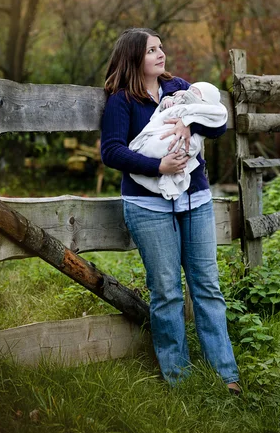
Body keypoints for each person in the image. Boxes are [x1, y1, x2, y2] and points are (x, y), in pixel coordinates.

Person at [100, 27, 240, 394]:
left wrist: (188, 119)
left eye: (161, 48)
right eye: (151, 50)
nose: (161, 54)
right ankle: (179, 379)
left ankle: (226, 374)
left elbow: (220, 122)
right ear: (134, 58)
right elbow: (111, 151)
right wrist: (158, 168)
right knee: (166, 291)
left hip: (195, 198)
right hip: (147, 204)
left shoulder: (178, 87)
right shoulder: (121, 101)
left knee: (207, 286)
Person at [128, 81, 228, 200]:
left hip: (196, 193)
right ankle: (150, 153)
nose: (189, 91)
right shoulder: (123, 96)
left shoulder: (178, 84)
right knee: (158, 143)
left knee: (178, 146)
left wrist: (189, 124)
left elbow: (219, 125)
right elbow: (111, 151)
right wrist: (158, 166)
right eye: (190, 89)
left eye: (194, 91)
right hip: (146, 197)